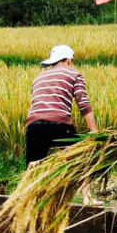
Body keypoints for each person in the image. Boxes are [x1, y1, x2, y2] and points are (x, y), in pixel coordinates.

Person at [25, 44, 99, 203]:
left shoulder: (38, 77)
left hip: (33, 126)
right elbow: (83, 103)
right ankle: (87, 198)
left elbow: (38, 104)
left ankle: (29, 202)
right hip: (59, 124)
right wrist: (93, 131)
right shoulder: (74, 73)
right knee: (85, 155)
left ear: (52, 61)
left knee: (32, 167)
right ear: (69, 60)